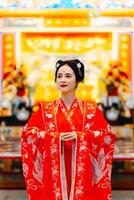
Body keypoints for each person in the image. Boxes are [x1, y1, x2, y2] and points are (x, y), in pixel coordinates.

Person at [21, 59, 116, 200]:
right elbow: (27, 134)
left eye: (68, 76)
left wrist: (81, 137)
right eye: (59, 76)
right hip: (53, 173)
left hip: (82, 174)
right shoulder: (44, 111)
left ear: (78, 79)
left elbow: (107, 135)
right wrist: (53, 137)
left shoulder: (91, 111)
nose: (62, 80)